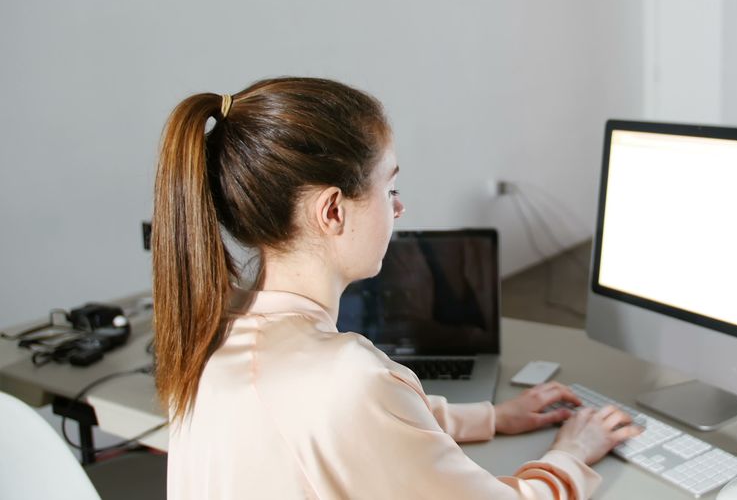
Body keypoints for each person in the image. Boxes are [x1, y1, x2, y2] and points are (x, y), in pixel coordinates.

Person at [152, 77, 642, 498]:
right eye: (389, 189)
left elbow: (360, 429)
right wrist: (572, 452)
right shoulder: (346, 377)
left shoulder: (211, 335)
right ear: (333, 211)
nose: (400, 209)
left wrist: (491, 418)